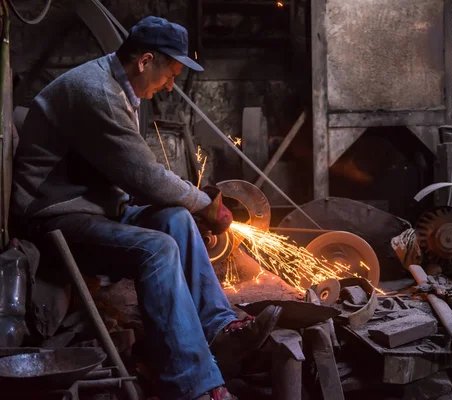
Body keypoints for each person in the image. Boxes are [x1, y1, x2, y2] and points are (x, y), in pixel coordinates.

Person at [9, 16, 282, 400]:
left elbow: (136, 180)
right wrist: (205, 203)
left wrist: (192, 207)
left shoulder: (118, 88)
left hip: (96, 209)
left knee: (176, 220)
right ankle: (192, 385)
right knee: (158, 249)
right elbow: (145, 178)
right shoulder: (97, 93)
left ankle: (219, 331)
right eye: (169, 73)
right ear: (144, 61)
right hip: (54, 218)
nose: (170, 84)